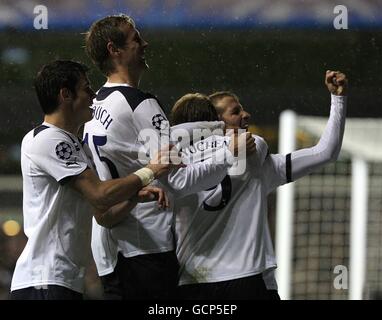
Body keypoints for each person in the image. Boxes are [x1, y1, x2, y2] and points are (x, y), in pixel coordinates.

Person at [83, 15, 249, 299]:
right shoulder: (141, 104)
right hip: (147, 248)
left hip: (109, 250)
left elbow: (164, 136)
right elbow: (179, 180)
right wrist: (228, 153)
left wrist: (216, 126)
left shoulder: (95, 104)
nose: (144, 43)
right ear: (115, 50)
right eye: (136, 38)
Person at [171, 70, 347, 299]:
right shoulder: (254, 156)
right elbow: (326, 152)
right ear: (216, 124)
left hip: (192, 283)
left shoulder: (172, 166)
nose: (246, 114)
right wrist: (339, 99)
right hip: (245, 279)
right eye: (236, 112)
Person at [10, 60, 173, 300]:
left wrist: (133, 198)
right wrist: (150, 171)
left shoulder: (77, 145)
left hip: (65, 281)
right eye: (86, 88)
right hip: (43, 281)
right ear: (66, 95)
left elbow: (104, 215)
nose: (94, 95)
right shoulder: (47, 140)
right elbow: (99, 193)